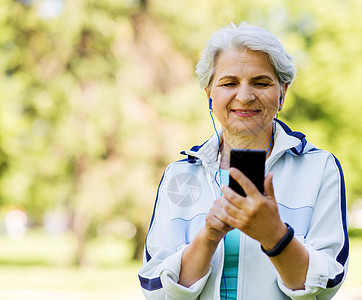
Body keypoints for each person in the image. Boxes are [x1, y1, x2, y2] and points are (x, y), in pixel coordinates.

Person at [138, 22, 349, 300]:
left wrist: (274, 235)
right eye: (229, 83)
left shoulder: (319, 168)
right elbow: (156, 290)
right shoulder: (180, 174)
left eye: (261, 83)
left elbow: (325, 287)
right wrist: (209, 236)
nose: (245, 96)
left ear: (283, 92)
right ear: (209, 94)